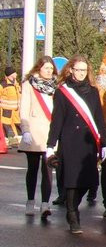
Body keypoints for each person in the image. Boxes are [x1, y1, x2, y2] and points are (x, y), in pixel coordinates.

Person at [46, 56, 106, 234]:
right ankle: (73, 214)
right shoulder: (63, 92)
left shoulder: (93, 91)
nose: (81, 73)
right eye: (78, 70)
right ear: (71, 70)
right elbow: (57, 120)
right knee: (72, 180)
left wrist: (104, 142)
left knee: (88, 181)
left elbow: (98, 118)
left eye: (84, 70)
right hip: (70, 140)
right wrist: (51, 145)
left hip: (88, 141)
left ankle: (72, 205)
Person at [18, 56, 58, 219]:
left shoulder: (57, 86)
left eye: (51, 68)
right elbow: (24, 109)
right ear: (39, 68)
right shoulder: (29, 85)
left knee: (48, 169)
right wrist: (25, 130)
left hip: (50, 133)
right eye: (46, 68)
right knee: (33, 169)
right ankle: (30, 201)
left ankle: (45, 204)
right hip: (34, 133)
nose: (49, 71)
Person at [1, 66, 21, 139]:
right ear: (11, 74)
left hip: (16, 111)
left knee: (18, 125)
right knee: (7, 126)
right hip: (6, 111)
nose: (16, 74)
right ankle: (9, 141)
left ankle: (18, 140)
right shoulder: (3, 85)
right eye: (15, 73)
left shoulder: (16, 85)